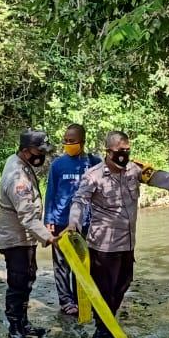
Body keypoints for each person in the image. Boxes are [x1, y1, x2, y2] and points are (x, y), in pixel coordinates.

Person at [66, 131, 169, 338]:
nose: (124, 155)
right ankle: (103, 334)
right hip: (104, 245)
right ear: (108, 151)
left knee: (123, 284)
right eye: (119, 151)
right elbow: (79, 200)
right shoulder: (93, 176)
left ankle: (107, 327)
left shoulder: (134, 169)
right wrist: (73, 224)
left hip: (127, 242)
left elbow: (156, 176)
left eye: (127, 150)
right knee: (105, 291)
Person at [0, 130, 54, 338]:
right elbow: (26, 215)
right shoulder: (17, 177)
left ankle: (24, 323)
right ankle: (15, 330)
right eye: (39, 152)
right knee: (18, 284)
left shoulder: (19, 162)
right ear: (26, 150)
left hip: (25, 237)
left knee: (28, 278)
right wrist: (49, 237)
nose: (42, 156)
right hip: (15, 239)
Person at [44, 124, 101, 315]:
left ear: (82, 141)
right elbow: (50, 193)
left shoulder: (94, 163)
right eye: (66, 141)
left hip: (86, 221)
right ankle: (66, 301)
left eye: (72, 141)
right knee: (62, 263)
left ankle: (81, 298)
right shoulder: (58, 165)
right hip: (61, 220)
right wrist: (48, 219)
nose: (68, 144)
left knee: (84, 262)